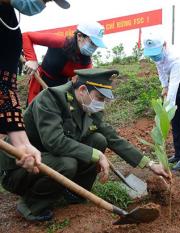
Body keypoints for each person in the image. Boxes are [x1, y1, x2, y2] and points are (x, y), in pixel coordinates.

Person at [0, 68, 170, 221]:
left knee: (99, 140)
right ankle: (31, 204)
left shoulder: (87, 106)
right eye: (100, 98)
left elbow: (112, 138)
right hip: (21, 168)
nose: (101, 104)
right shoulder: (50, 99)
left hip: (49, 159)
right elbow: (54, 142)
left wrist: (150, 164)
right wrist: (97, 155)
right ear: (82, 90)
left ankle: (74, 192)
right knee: (69, 163)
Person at [0, 0, 70, 177]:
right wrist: (31, 57)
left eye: (47, 1)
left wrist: (21, 142)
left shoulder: (10, 28)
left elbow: (5, 86)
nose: (41, 4)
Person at [143, 33, 180, 171]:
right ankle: (177, 154)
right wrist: (164, 86)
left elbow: (174, 84)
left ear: (164, 45)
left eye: (155, 53)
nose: (154, 57)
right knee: (175, 120)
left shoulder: (176, 58)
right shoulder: (157, 56)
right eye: (151, 54)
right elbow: (161, 70)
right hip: (177, 82)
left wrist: (166, 109)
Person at [23, 20, 106, 104]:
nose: (94, 47)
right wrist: (31, 59)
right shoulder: (60, 42)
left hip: (61, 90)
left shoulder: (86, 63)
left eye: (96, 45)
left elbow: (86, 84)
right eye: (92, 43)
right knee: (34, 112)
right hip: (40, 82)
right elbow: (26, 36)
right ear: (79, 36)